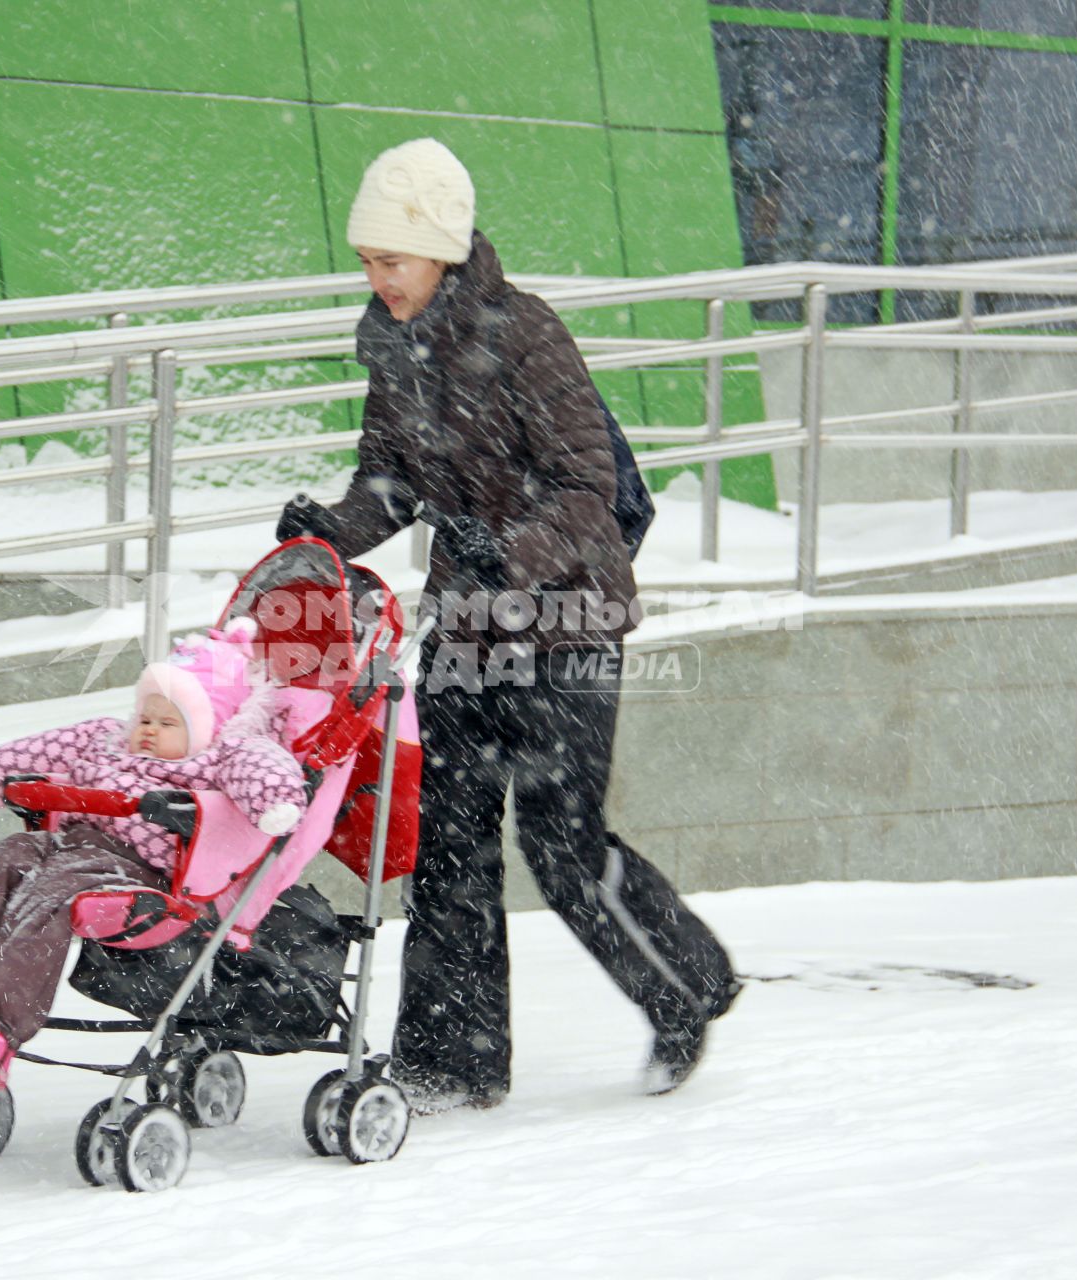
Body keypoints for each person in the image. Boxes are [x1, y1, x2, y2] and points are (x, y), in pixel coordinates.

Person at [275, 138, 741, 1110]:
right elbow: (391, 478)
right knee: (447, 843)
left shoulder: (524, 333)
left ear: (440, 248)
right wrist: (336, 528)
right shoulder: (393, 346)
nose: (376, 276)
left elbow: (588, 487)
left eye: (390, 258)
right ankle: (453, 1055)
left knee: (562, 842)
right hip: (465, 630)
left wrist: (509, 551)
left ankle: (686, 985)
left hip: (566, 624)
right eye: (367, 259)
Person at [0, 619, 306, 1088]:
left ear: (210, 727)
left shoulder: (221, 756)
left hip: (132, 869)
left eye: (168, 723)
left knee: (48, 897)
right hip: (69, 844)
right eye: (145, 717)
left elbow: (265, 767)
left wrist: (275, 803)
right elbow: (44, 748)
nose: (148, 730)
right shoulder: (106, 739)